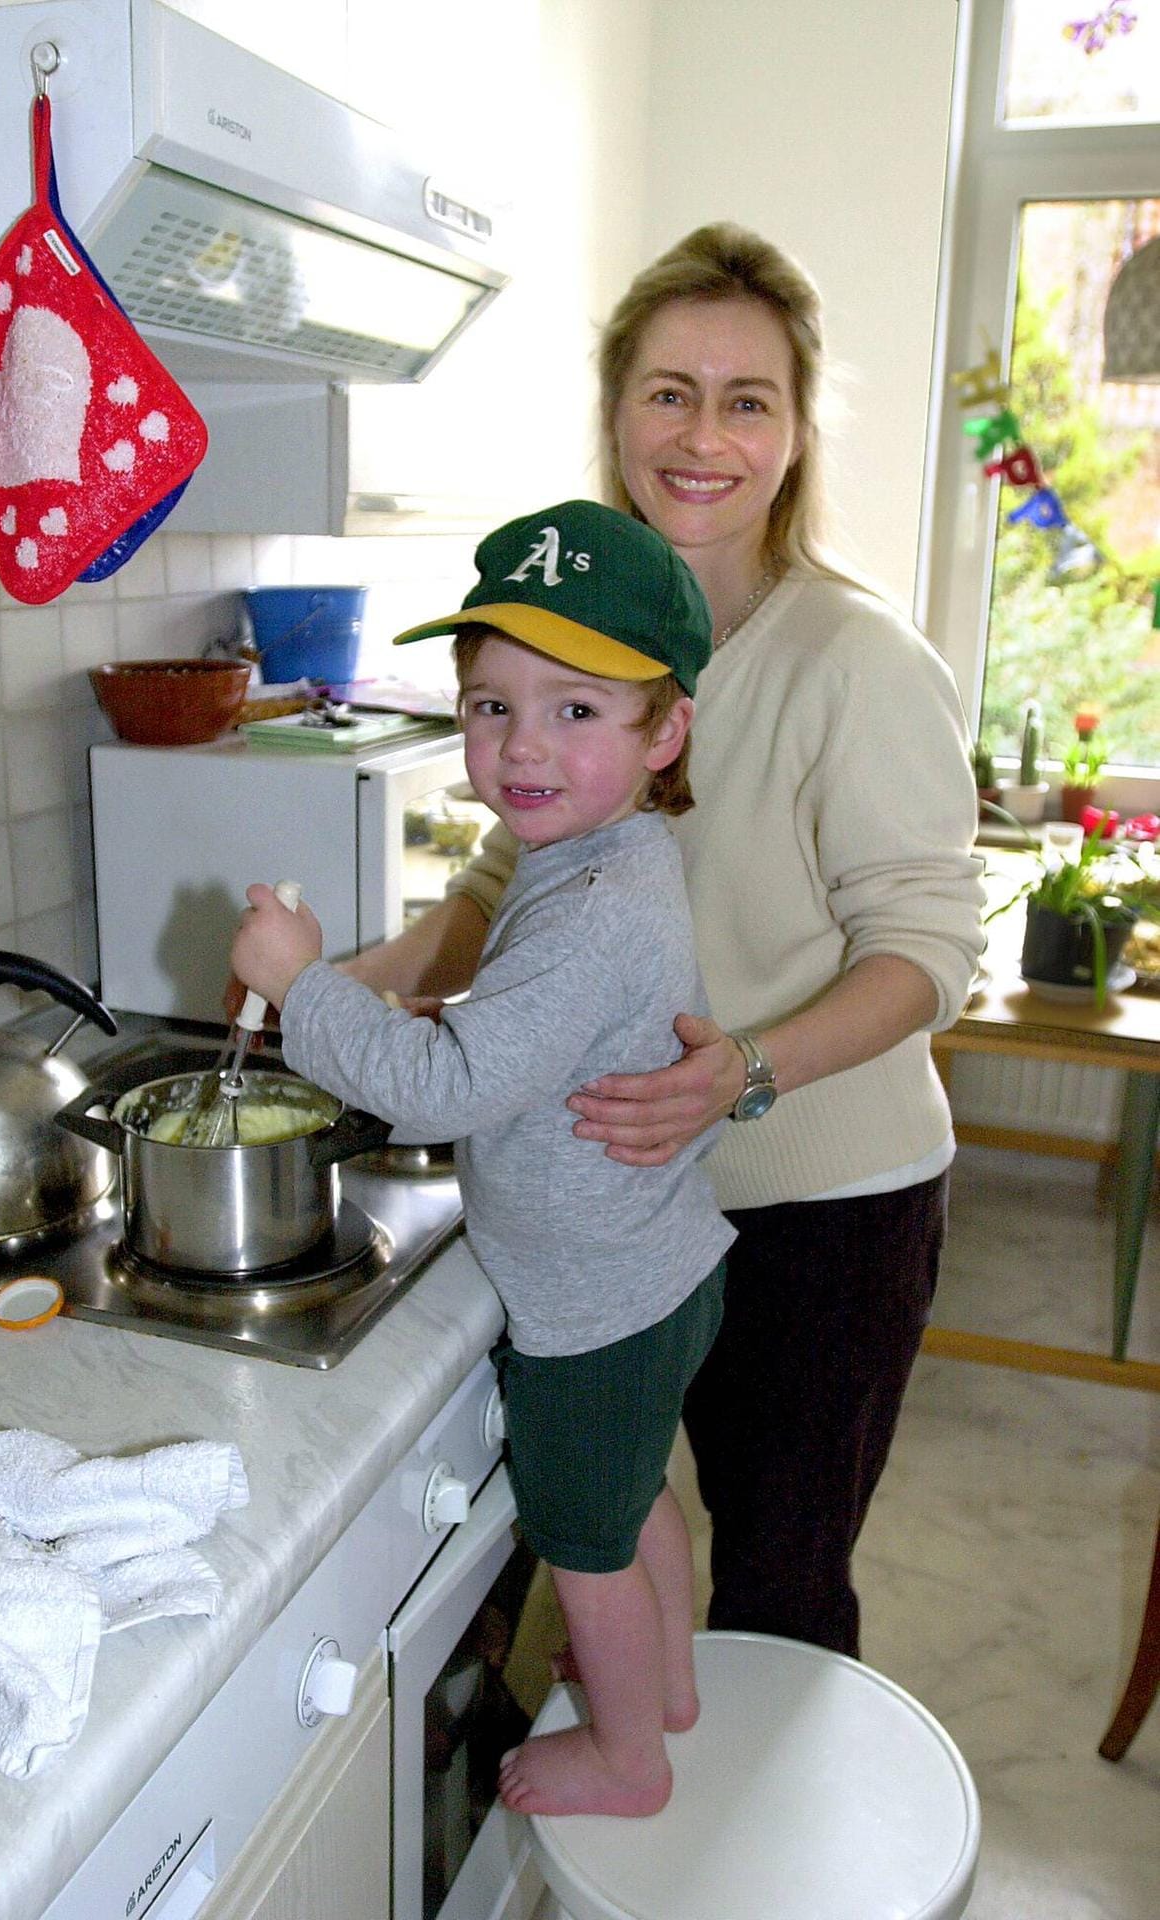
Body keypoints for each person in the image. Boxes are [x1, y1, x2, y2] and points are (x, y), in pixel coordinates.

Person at [343, 225, 986, 1660]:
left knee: (777, 1584)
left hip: (822, 1208)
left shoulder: (856, 660)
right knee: (612, 1530)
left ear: (798, 433)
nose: (703, 436)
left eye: (747, 399)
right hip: (625, 1205)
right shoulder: (594, 632)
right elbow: (508, 878)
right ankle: (638, 1770)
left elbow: (927, 953)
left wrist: (741, 1069)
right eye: (668, 392)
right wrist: (364, 980)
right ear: (618, 410)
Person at [230, 498, 735, 1818]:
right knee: (639, 1501)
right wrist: (446, 1017)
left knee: (585, 1550)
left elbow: (436, 1096)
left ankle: (632, 1759)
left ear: (663, 729)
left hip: (590, 1312)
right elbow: (532, 1036)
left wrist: (303, 987)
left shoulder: (595, 905)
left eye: (576, 711)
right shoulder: (608, 856)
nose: (521, 747)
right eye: (489, 705)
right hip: (663, 1267)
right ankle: (669, 1688)